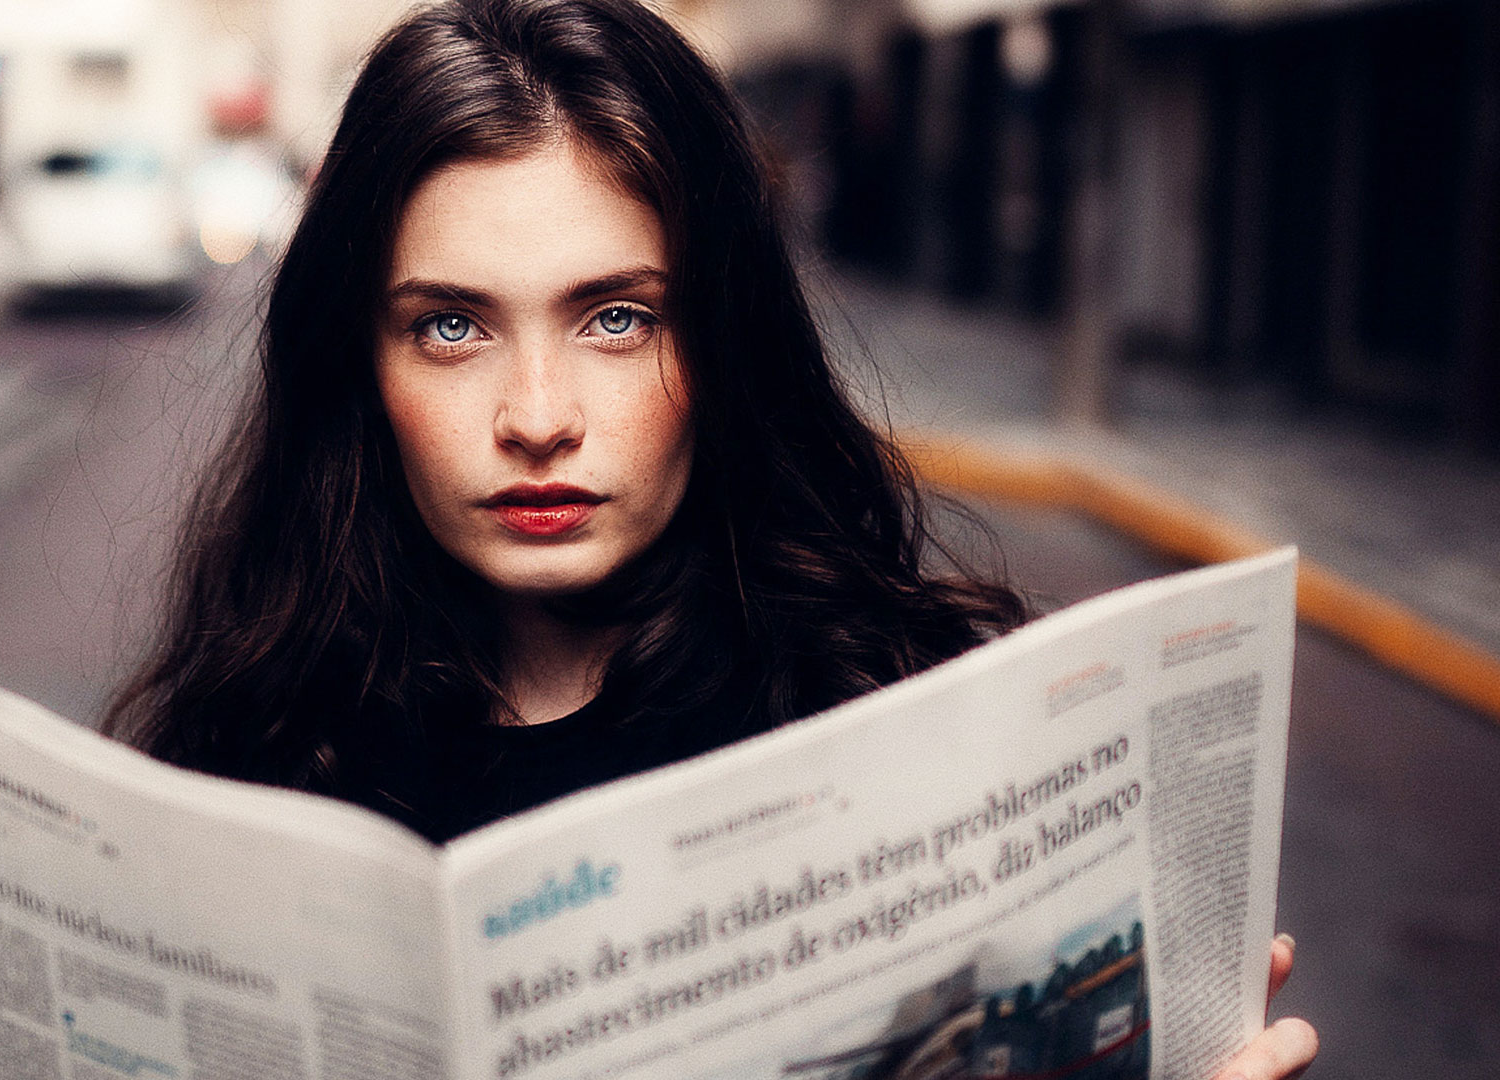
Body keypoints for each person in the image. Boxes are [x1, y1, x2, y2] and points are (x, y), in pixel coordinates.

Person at [106, 1, 1314, 1074]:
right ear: (359, 365)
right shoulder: (246, 755)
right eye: (451, 329)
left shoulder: (912, 718)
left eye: (618, 318)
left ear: (723, 341)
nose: (538, 420)